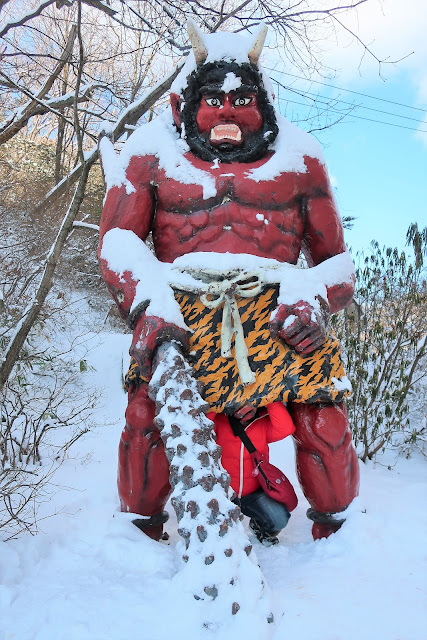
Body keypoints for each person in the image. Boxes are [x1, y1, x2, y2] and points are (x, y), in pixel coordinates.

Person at [98, 22, 360, 542]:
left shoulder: (301, 159)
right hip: (180, 310)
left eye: (242, 98)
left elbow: (339, 264)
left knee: (324, 421)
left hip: (282, 312)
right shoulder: (152, 153)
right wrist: (148, 300)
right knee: (145, 417)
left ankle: (343, 543)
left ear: (262, 106)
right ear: (189, 104)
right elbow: (117, 243)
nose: (226, 110)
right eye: (213, 98)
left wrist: (314, 298)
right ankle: (137, 542)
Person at [207, 402, 296, 546]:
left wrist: (270, 398)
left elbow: (286, 428)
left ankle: (259, 526)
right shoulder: (219, 420)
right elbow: (203, 428)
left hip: (253, 494)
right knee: (214, 532)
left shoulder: (263, 422)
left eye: (251, 402)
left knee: (279, 518)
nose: (244, 407)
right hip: (223, 493)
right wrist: (216, 402)